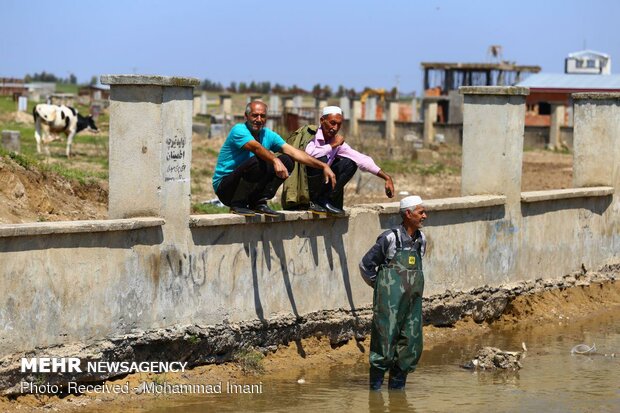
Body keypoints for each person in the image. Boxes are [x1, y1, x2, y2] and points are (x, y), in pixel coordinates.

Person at [212, 101, 336, 217]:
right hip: (226, 188)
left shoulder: (268, 134)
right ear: (246, 116)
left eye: (262, 116)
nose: (259, 120)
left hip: (247, 186)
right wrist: (275, 160)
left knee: (287, 160)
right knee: (259, 160)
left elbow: (294, 152)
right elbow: (256, 148)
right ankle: (237, 204)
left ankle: (259, 201)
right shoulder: (239, 130)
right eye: (255, 115)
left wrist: (323, 166)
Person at [359, 195, 428, 391]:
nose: (425, 216)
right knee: (384, 343)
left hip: (412, 303)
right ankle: (375, 392)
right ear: (408, 214)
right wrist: (381, 287)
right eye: (421, 212)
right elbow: (365, 265)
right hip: (388, 303)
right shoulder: (389, 238)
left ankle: (397, 392)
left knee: (411, 343)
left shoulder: (421, 240)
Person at [281, 106, 394, 216]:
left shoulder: (336, 141)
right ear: (322, 120)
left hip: (322, 185)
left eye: (339, 124)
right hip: (304, 185)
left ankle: (325, 200)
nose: (335, 128)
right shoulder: (312, 136)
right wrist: (332, 145)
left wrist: (386, 177)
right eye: (332, 123)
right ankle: (313, 201)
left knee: (350, 163)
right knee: (321, 159)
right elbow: (309, 154)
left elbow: (361, 159)